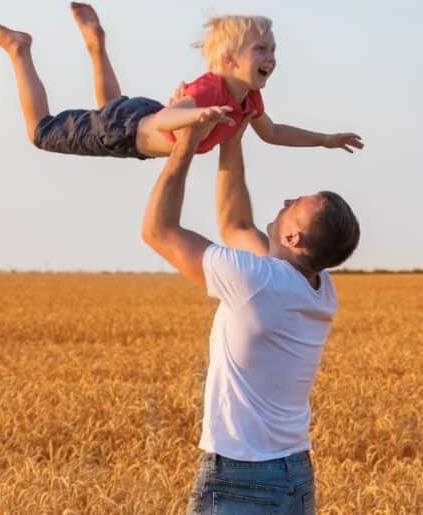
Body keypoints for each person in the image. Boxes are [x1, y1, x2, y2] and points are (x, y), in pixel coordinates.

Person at [141, 111, 360, 514]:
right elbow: (235, 222)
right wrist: (233, 135)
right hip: (293, 476)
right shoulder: (317, 289)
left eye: (296, 205)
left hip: (241, 478)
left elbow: (158, 231)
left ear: (293, 237)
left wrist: (186, 144)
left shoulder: (259, 280)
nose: (286, 200)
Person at [0, 3, 363, 160]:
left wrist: (325, 140)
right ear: (229, 60)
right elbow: (165, 121)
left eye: (273, 50)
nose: (271, 58)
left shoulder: (246, 99)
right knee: (40, 132)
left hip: (137, 121)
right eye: (261, 50)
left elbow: (274, 132)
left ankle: (96, 46)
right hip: (134, 129)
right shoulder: (209, 92)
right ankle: (19, 50)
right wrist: (194, 117)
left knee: (110, 111)